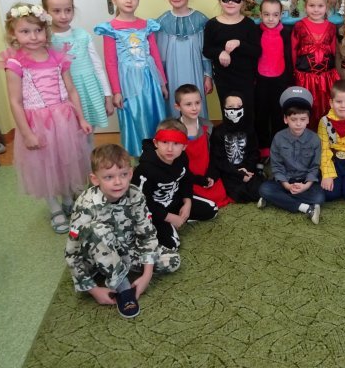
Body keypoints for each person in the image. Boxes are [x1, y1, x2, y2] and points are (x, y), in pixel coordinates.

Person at [0, 2, 92, 234]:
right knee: (44, 166)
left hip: (65, 119)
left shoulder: (57, 58)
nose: (33, 37)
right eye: (25, 31)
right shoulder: (15, 63)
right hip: (37, 124)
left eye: (38, 30)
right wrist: (27, 133)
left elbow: (71, 90)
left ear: (46, 31)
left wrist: (81, 119)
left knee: (66, 161)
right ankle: (54, 207)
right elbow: (15, 101)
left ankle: (68, 199)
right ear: (13, 34)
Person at [65, 144, 180, 319]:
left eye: (123, 174)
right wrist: (92, 289)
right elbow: (72, 253)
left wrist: (147, 275)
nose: (118, 182)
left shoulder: (136, 195)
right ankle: (121, 284)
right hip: (94, 256)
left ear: (131, 174)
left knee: (172, 260)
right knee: (97, 229)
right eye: (109, 177)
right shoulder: (85, 204)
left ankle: (118, 266)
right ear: (95, 179)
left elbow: (147, 235)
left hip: (126, 248)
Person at [94, 0, 168, 157]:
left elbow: (155, 55)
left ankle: (159, 153)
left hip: (150, 79)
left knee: (154, 113)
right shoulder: (110, 28)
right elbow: (111, 62)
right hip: (128, 82)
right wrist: (116, 91)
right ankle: (138, 154)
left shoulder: (146, 25)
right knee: (135, 115)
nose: (129, 1)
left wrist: (162, 83)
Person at [132, 119, 218, 250]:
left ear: (184, 147)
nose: (170, 149)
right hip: (153, 210)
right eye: (165, 142)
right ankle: (165, 225)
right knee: (172, 245)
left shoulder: (182, 157)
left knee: (212, 209)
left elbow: (185, 178)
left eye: (176, 143)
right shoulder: (144, 169)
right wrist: (169, 217)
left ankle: (179, 218)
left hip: (174, 201)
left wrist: (187, 202)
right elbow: (141, 203)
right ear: (156, 143)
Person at [42, 0, 113, 131]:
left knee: (89, 129)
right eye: (56, 11)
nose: (64, 16)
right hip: (63, 92)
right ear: (45, 12)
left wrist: (107, 96)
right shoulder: (46, 39)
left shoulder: (83, 35)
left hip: (88, 89)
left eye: (68, 10)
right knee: (69, 130)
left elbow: (98, 67)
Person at [257, 87, 324, 224]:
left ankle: (277, 199)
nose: (298, 124)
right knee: (264, 189)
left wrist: (306, 186)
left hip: (305, 182)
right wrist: (287, 186)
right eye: (294, 119)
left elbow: (315, 167)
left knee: (320, 197)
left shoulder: (315, 139)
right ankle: (305, 208)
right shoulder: (278, 138)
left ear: (308, 120)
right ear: (285, 119)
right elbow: (277, 166)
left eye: (302, 119)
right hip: (284, 181)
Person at [203, 0, 261, 124]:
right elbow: (207, 50)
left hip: (245, 79)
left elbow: (256, 51)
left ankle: (248, 139)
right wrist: (219, 52)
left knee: (247, 113)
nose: (230, 2)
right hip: (224, 79)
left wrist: (239, 43)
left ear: (242, 0)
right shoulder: (212, 25)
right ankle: (229, 139)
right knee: (228, 114)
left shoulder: (249, 25)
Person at [157, 0, 213, 118]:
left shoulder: (200, 20)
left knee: (194, 99)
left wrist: (208, 75)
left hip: (195, 70)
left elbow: (206, 51)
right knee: (175, 100)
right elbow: (160, 56)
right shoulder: (162, 22)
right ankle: (176, 130)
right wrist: (162, 80)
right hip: (171, 73)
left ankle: (198, 130)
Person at [174, 84, 232, 207]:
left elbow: (214, 154)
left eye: (197, 103)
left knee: (220, 194)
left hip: (206, 174)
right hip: (185, 176)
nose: (194, 108)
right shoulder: (174, 129)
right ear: (178, 106)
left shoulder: (208, 126)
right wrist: (194, 179)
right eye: (188, 104)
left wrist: (211, 175)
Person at [291, 0, 340, 129]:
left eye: (320, 6)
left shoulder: (331, 27)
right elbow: (293, 50)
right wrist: (294, 71)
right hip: (305, 77)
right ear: (305, 6)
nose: (316, 9)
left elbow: (334, 51)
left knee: (326, 108)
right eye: (312, 5)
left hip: (326, 77)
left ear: (326, 7)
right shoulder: (299, 26)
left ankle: (325, 134)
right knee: (307, 107)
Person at [255, 0, 294, 161]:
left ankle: (279, 146)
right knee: (261, 114)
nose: (271, 19)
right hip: (261, 80)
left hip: (280, 79)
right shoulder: (255, 32)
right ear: (260, 15)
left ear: (281, 15)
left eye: (275, 15)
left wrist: (290, 81)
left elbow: (290, 57)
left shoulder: (286, 33)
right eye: (266, 14)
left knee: (279, 114)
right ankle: (264, 147)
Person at [210, 92, 264, 202]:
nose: (234, 110)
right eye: (230, 107)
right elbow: (219, 159)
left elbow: (254, 153)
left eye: (238, 106)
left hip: (247, 170)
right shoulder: (218, 132)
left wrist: (247, 170)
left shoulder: (249, 130)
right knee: (237, 192)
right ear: (224, 108)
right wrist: (237, 173)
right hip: (229, 172)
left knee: (261, 187)